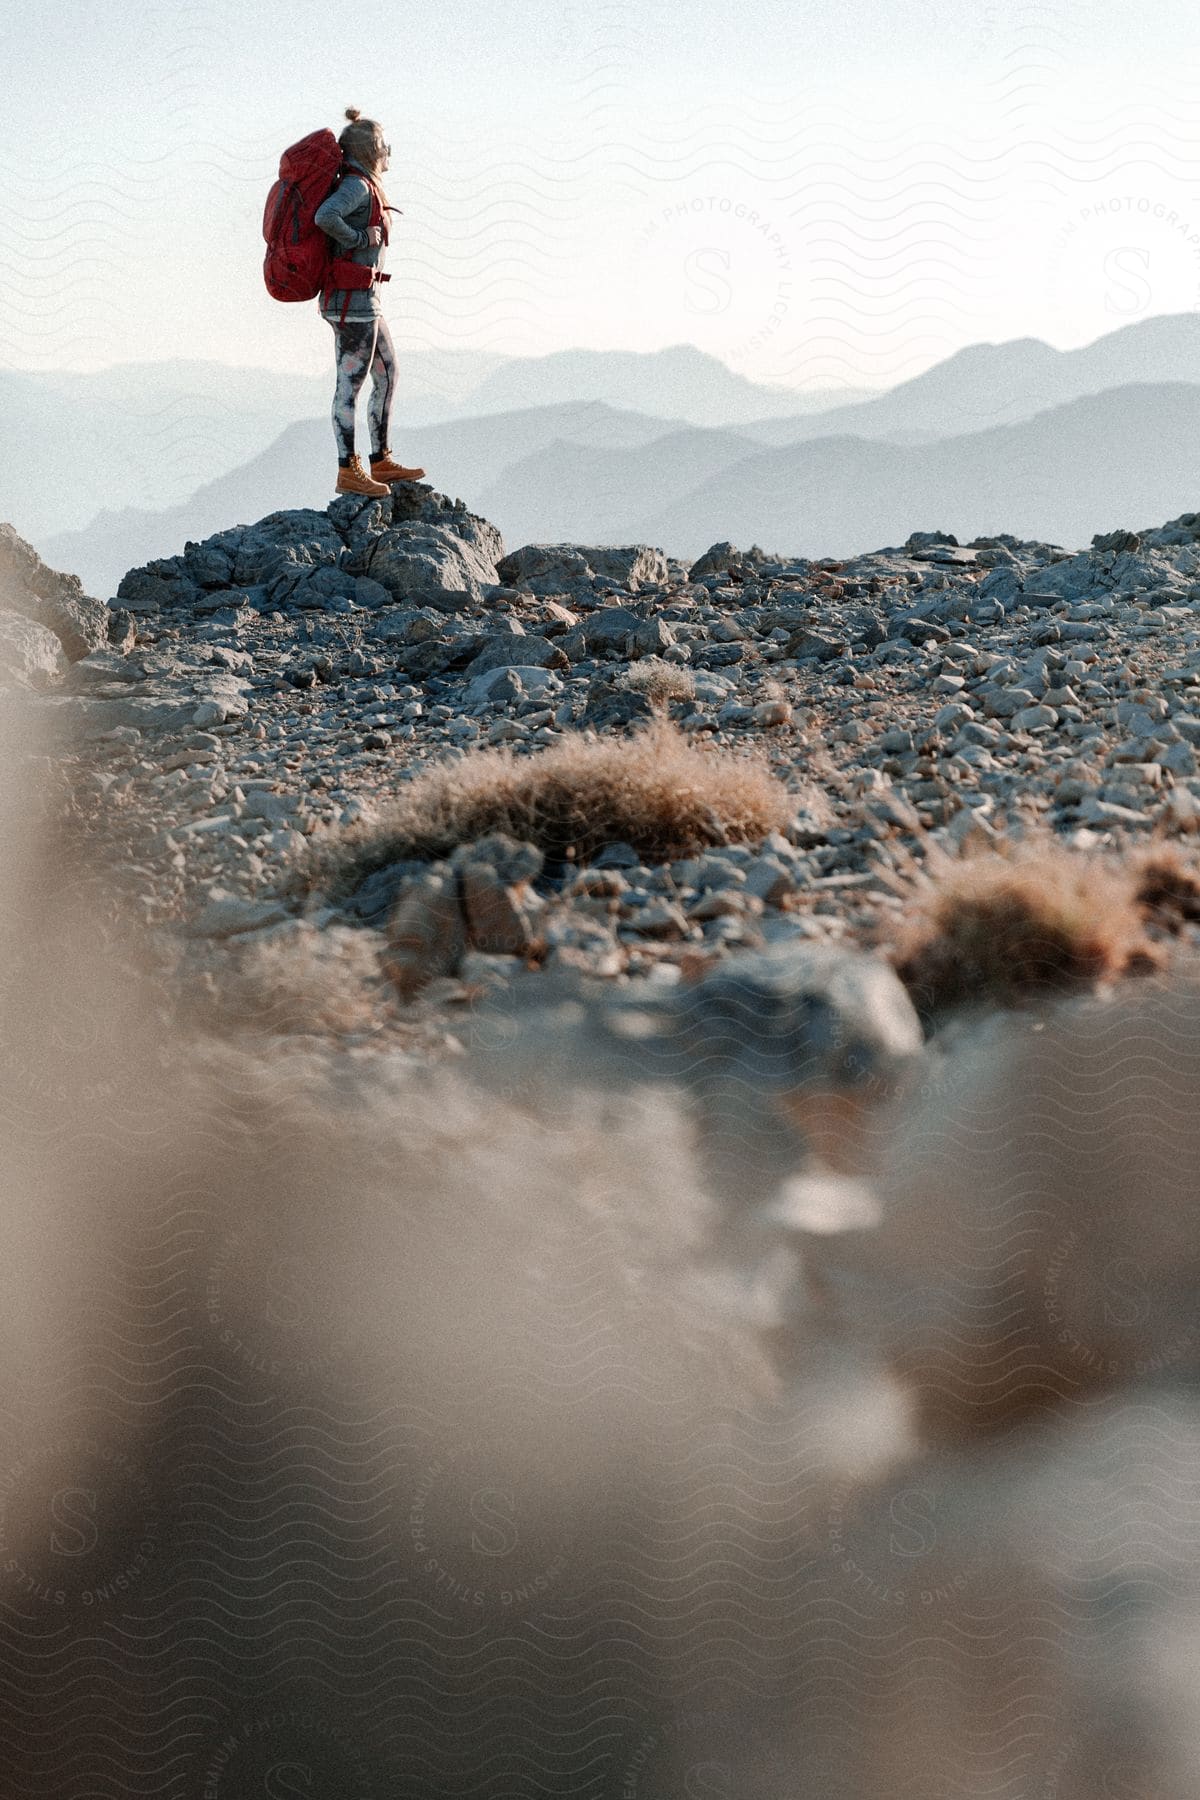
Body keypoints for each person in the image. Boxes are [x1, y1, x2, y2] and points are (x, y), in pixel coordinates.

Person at [313, 107, 426, 497]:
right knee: (351, 385)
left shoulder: (365, 184)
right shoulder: (357, 187)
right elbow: (325, 217)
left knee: (388, 374)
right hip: (351, 304)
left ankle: (381, 460)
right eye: (382, 147)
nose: (387, 153)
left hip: (366, 301)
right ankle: (349, 470)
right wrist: (361, 239)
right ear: (371, 151)